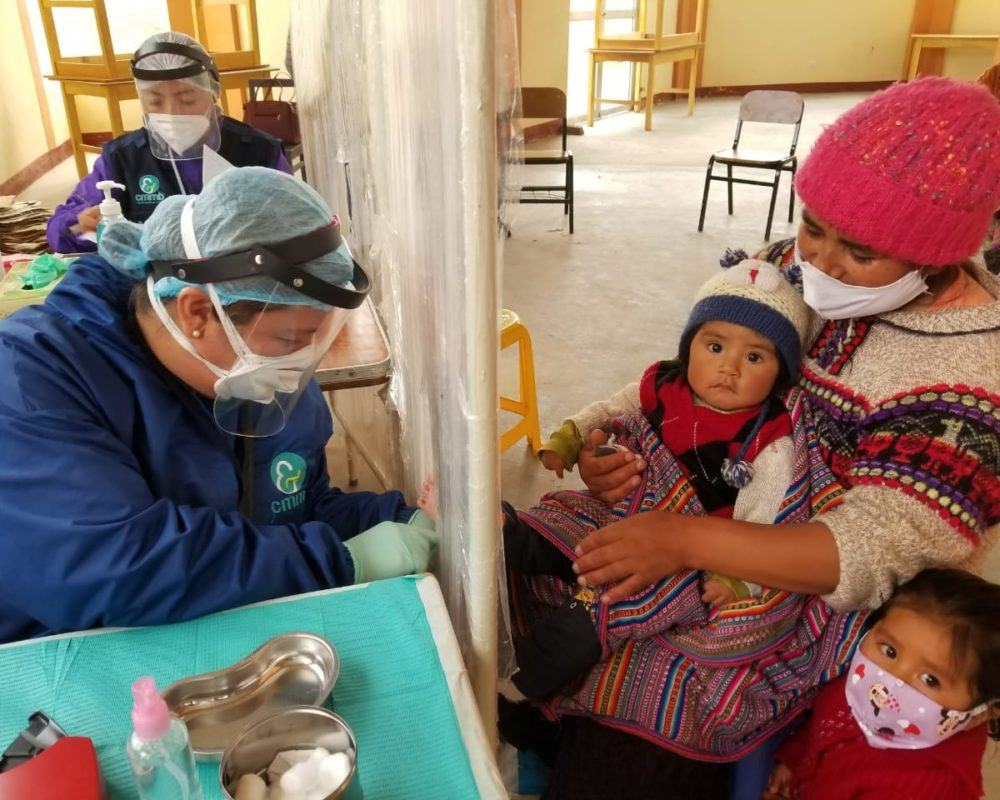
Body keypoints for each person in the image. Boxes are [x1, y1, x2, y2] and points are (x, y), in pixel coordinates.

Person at [517, 77, 1000, 799]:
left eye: (859, 252)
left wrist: (681, 541)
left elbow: (861, 552)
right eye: (813, 225)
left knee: (663, 684)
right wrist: (611, 452)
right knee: (534, 546)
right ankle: (563, 718)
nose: (819, 264)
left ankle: (598, 740)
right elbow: (698, 371)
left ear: (934, 259)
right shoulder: (796, 271)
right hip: (719, 500)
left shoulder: (971, 379)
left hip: (805, 591)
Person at [0, 167, 436, 643]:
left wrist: (390, 519)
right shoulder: (32, 380)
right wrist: (340, 560)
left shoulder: (258, 379)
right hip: (58, 652)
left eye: (314, 340)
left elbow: (293, 506)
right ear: (197, 312)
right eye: (290, 338)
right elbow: (111, 568)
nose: (301, 364)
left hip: (212, 625)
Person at [502, 259, 826, 700]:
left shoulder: (768, 442)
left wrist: (735, 581)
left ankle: (522, 679)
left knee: (618, 601)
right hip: (624, 511)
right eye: (715, 347)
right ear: (689, 345)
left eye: (753, 357)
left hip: (686, 559)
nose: (729, 367)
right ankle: (512, 535)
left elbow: (764, 521)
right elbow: (613, 406)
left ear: (780, 373)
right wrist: (570, 434)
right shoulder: (664, 384)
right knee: (563, 512)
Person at [46, 32, 291, 253]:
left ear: (213, 92)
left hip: (242, 280)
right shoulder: (122, 158)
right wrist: (79, 222)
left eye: (186, 100)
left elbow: (297, 222)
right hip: (152, 285)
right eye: (155, 102)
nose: (172, 113)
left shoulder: (259, 151)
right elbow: (60, 232)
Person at [765, 568, 999, 800]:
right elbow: (825, 722)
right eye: (890, 650)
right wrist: (794, 760)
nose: (892, 678)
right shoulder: (863, 680)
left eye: (930, 679)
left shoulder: (925, 788)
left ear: (979, 714)